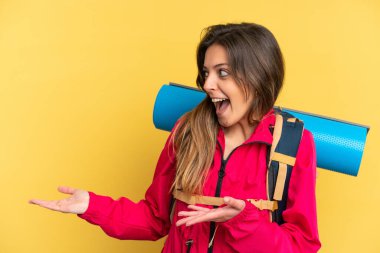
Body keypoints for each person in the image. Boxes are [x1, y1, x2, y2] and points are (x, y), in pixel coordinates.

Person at [30, 23, 321, 253]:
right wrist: (92, 206)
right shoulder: (187, 131)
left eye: (223, 73)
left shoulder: (293, 145)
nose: (207, 85)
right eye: (206, 73)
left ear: (257, 77)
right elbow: (155, 219)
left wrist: (241, 222)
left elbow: (301, 246)